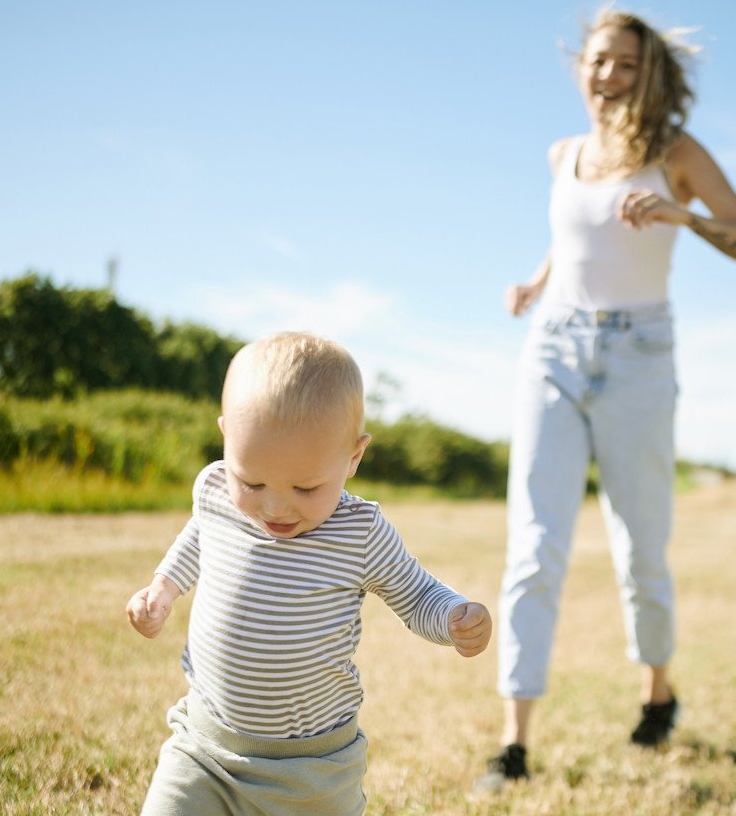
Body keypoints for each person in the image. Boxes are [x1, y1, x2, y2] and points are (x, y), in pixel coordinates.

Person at [478, 6, 736, 791]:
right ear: (581, 66)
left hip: (640, 354)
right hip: (554, 347)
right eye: (599, 59)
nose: (608, 74)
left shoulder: (677, 153)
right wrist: (536, 282)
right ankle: (513, 743)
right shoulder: (563, 154)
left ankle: (657, 693)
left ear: (651, 76)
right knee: (534, 543)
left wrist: (682, 213)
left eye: (627, 64)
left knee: (641, 549)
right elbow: (575, 234)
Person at [127, 331, 492, 816]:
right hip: (204, 747)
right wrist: (164, 587)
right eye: (252, 481)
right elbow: (199, 538)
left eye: (306, 488)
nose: (275, 507)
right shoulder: (215, 490)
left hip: (312, 771)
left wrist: (452, 617)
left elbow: (416, 592)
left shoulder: (358, 531)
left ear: (354, 457)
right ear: (227, 437)